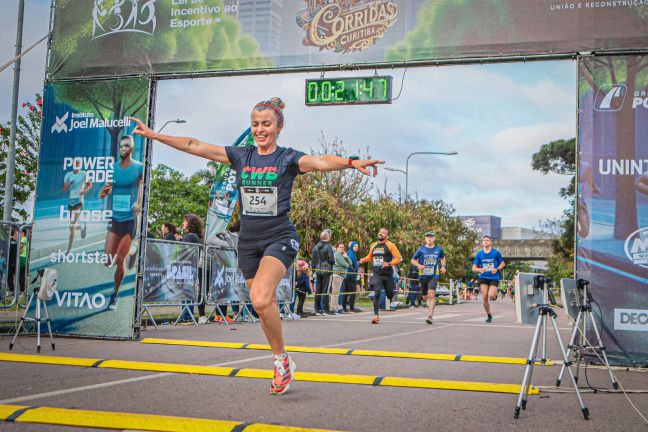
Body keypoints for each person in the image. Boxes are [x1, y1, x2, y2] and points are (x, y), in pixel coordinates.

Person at [130, 97, 382, 395]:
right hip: (248, 242)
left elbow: (320, 162)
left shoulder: (287, 158)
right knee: (264, 305)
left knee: (261, 299)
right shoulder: (241, 155)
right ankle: (282, 359)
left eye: (266, 124)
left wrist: (351, 162)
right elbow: (193, 145)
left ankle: (281, 360)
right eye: (255, 124)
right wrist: (155, 135)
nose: (260, 130)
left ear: (279, 127)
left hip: (280, 236)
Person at [99, 135, 144, 311]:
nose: (123, 148)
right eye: (121, 146)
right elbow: (104, 191)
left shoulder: (139, 168)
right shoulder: (113, 168)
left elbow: (142, 187)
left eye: (126, 146)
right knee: (107, 260)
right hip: (114, 217)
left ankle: (114, 295)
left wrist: (139, 202)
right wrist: (103, 192)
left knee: (119, 260)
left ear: (131, 149)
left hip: (129, 220)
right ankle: (133, 250)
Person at [358, 228, 403, 324]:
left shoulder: (390, 245)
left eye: (383, 233)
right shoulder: (373, 245)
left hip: (387, 275)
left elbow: (398, 258)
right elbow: (370, 257)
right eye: (380, 232)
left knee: (390, 294)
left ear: (387, 235)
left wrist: (389, 263)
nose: (380, 233)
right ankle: (375, 315)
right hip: (377, 274)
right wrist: (363, 260)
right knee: (377, 292)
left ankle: (392, 292)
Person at [411, 231, 446, 325]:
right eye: (428, 237)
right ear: (425, 239)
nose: (429, 238)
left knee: (431, 295)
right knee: (425, 297)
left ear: (434, 238)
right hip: (423, 276)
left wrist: (443, 266)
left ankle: (430, 316)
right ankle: (423, 296)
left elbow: (443, 258)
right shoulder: (421, 249)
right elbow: (413, 260)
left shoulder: (438, 249)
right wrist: (418, 265)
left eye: (431, 237)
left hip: (434, 275)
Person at [472, 235, 505, 323]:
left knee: (491, 295)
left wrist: (497, 269)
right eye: (484, 240)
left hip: (494, 277)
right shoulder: (479, 254)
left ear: (490, 242)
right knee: (484, 296)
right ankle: (489, 314)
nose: (486, 241)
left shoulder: (496, 253)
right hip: (483, 277)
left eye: (488, 240)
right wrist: (479, 269)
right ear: (482, 243)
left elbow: (503, 264)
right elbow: (473, 268)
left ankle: (495, 293)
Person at [62, 160, 92, 254]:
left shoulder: (84, 174)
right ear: (73, 165)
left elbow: (90, 184)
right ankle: (81, 227)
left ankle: (68, 250)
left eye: (78, 164)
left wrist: (84, 191)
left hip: (79, 201)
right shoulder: (68, 175)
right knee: (72, 225)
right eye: (75, 164)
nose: (77, 166)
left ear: (80, 165)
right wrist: (69, 183)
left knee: (71, 226)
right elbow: (65, 188)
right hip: (71, 201)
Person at [180, 214, 204, 323]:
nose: (183, 223)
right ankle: (187, 315)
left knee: (186, 292)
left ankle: (186, 316)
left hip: (187, 267)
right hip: (191, 267)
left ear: (190, 223)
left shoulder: (190, 236)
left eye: (185, 221)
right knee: (188, 292)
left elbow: (183, 251)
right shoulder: (195, 236)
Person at [311, 230, 335, 316]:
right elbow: (332, 259)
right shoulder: (329, 246)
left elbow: (313, 260)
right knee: (326, 290)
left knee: (318, 290)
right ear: (328, 237)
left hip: (318, 270)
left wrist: (314, 270)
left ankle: (317, 309)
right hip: (327, 270)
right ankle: (326, 309)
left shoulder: (316, 246)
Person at [577, 161, 599, 238]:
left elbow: (590, 179)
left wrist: (594, 187)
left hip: (580, 201)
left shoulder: (586, 166)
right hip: (572, 201)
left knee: (585, 232)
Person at [332, 242, 352, 313]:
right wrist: (346, 262)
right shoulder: (337, 254)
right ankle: (334, 307)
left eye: (343, 247)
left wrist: (346, 256)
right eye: (340, 247)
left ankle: (335, 306)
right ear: (337, 248)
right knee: (335, 292)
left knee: (337, 292)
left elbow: (350, 263)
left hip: (340, 276)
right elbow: (346, 265)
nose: (342, 248)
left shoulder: (342, 255)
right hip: (337, 275)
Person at [343, 241, 361, 313]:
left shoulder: (351, 253)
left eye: (357, 246)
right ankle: (351, 307)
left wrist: (356, 264)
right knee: (352, 292)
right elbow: (349, 263)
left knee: (346, 291)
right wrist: (354, 269)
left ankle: (344, 307)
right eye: (355, 246)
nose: (356, 248)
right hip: (350, 275)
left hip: (349, 275)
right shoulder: (350, 253)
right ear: (352, 246)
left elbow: (352, 263)